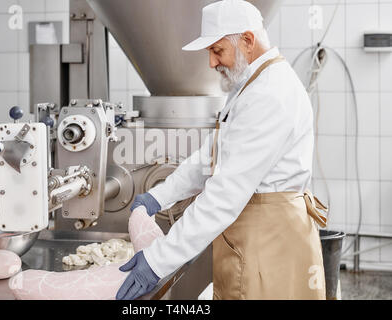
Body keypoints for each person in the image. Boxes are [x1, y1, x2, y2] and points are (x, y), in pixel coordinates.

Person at [116, 0, 327, 300]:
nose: (211, 63)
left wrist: (156, 261)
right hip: (253, 237)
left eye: (217, 51)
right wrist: (160, 196)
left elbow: (225, 194)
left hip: (270, 245)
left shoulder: (270, 94)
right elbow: (209, 156)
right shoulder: (251, 85)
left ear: (248, 41)